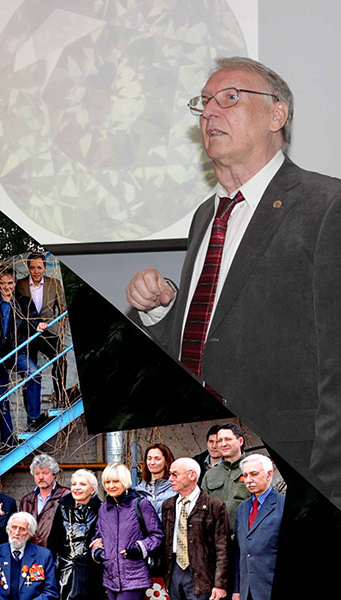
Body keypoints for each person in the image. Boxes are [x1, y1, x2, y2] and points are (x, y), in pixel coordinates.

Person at [124, 56, 341, 506]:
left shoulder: (327, 205)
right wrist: (165, 308)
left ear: (277, 115)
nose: (209, 113)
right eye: (204, 103)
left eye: (230, 98)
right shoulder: (207, 216)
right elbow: (215, 334)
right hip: (210, 469)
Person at [0, 268, 46, 439]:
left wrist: (39, 324)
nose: (6, 287)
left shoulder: (23, 302)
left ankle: (34, 418)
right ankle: (8, 438)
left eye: (10, 283)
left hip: (16, 350)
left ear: (15, 283)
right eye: (2, 283)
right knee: (1, 396)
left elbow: (33, 318)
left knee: (34, 374)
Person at [92, 463, 163, 600]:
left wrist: (138, 549)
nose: (111, 486)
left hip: (134, 576)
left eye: (116, 481)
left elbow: (157, 535)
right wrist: (98, 552)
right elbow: (98, 535)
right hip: (110, 577)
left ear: (125, 482)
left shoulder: (141, 504)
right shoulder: (103, 508)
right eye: (107, 482)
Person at [162, 458, 230, 600]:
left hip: (202, 572)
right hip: (174, 569)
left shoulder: (214, 506)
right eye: (170, 474)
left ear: (192, 475)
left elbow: (223, 548)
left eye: (175, 474)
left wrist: (220, 584)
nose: (170, 479)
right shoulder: (168, 505)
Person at [16, 253, 68, 404]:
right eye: (32, 268)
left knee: (61, 360)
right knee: (29, 374)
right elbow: (18, 310)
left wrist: (60, 330)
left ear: (45, 268)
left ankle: (61, 399)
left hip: (50, 331)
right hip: (29, 334)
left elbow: (63, 309)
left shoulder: (55, 284)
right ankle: (31, 414)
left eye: (39, 267)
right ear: (28, 268)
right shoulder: (21, 284)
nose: (36, 271)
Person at [233, 454, 284, 600]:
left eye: (254, 474)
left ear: (269, 474)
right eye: (245, 475)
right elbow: (239, 551)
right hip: (246, 590)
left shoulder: (282, 504)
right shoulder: (242, 508)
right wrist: (237, 589)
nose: (249, 480)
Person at [47, 470, 103, 600]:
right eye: (74, 484)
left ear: (92, 489)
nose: (76, 488)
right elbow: (53, 540)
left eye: (82, 484)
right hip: (65, 569)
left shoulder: (101, 509)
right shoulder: (62, 508)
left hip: (92, 569)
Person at [0, 512, 58, 600]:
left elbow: (50, 592)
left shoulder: (43, 555)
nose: (16, 532)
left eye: (22, 529)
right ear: (8, 529)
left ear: (30, 533)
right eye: (14, 527)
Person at [200, 424, 250, 536]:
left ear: (240, 441)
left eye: (228, 439)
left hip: (245, 540)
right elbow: (202, 511)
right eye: (220, 440)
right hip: (216, 542)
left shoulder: (253, 469)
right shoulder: (210, 475)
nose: (223, 444)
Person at [19, 454, 70, 547]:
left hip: (58, 555)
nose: (41, 477)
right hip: (33, 554)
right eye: (37, 473)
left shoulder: (66, 495)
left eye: (45, 473)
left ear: (54, 474)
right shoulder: (26, 500)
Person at [134, 443, 177, 518]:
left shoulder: (175, 488)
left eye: (157, 459)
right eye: (149, 458)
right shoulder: (138, 491)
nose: (152, 462)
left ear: (166, 462)